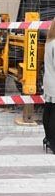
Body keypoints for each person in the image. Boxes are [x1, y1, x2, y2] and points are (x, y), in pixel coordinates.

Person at [43, 19, 55, 154]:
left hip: (49, 81)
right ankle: (53, 143)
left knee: (48, 110)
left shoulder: (49, 42)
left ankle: (47, 139)